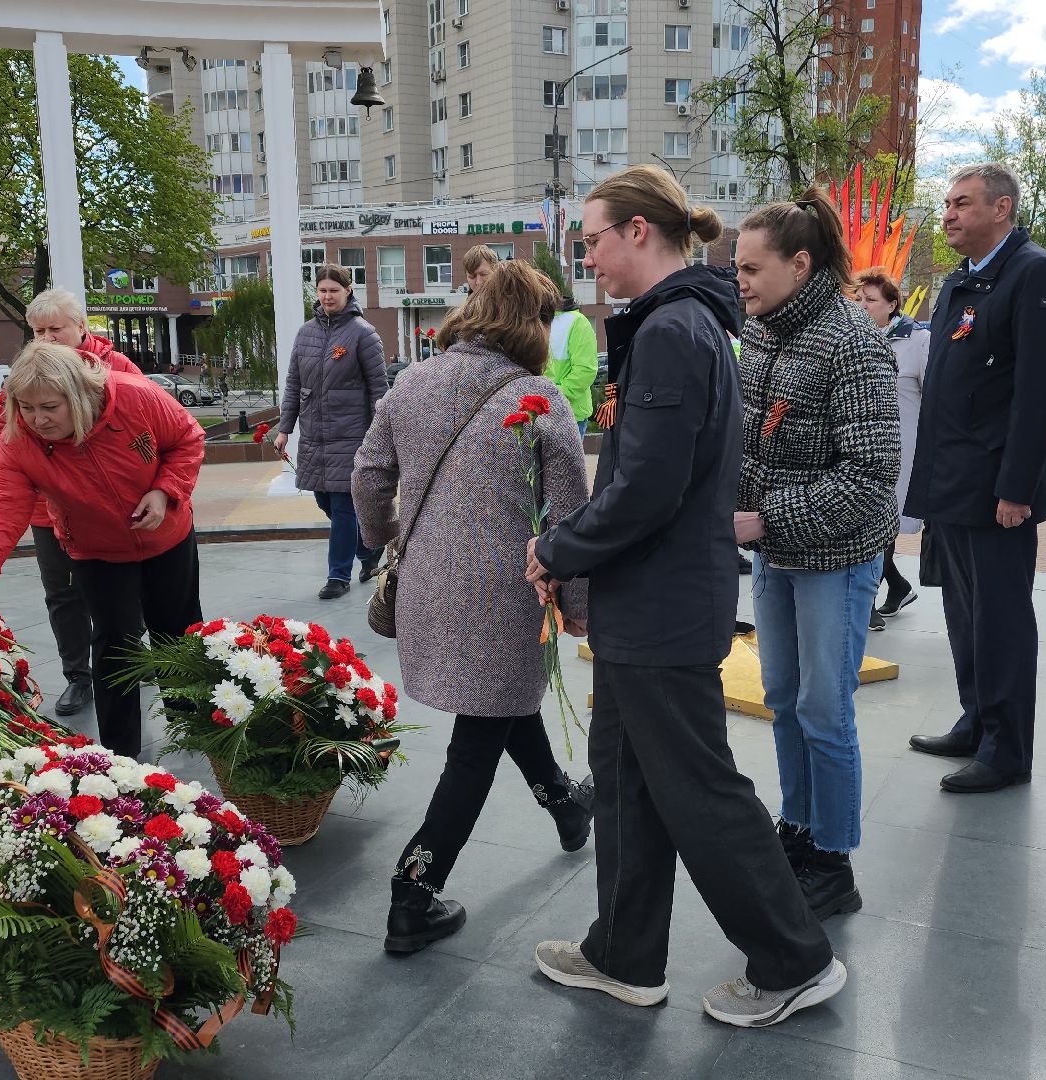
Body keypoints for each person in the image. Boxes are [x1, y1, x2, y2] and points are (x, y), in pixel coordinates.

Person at [524, 165, 844, 1030]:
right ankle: (625, 956)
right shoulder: (680, 324)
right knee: (625, 783)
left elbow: (648, 489)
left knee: (700, 790)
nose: (583, 257)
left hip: (661, 606)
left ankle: (794, 959)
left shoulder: (672, 331)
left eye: (590, 239)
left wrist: (557, 546)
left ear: (638, 232)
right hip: (650, 602)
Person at [354, 259, 595, 955]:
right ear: (535, 324)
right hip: (508, 589)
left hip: (430, 584)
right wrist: (578, 603)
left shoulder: (413, 383)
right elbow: (568, 514)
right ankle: (412, 892)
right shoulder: (539, 395)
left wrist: (387, 541)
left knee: (499, 704)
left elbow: (369, 476)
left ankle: (565, 805)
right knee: (476, 744)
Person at [734, 192, 900, 923]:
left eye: (750, 267)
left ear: (800, 266)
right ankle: (797, 829)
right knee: (782, 700)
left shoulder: (852, 343)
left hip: (834, 559)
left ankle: (834, 859)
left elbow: (870, 478)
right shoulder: (761, 331)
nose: (738, 279)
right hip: (774, 552)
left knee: (825, 710)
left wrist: (763, 515)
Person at [0, 341, 206, 759]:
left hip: (167, 536)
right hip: (96, 550)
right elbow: (2, 509)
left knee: (178, 631)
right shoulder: (19, 441)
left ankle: (195, 725)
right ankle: (121, 755)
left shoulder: (135, 396)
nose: (37, 420)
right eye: (27, 407)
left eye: (50, 408)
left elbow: (186, 440)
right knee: (115, 645)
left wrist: (164, 492)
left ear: (77, 395)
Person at [904, 163, 1046, 794]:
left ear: (1002, 209)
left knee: (1000, 618)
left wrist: (1017, 489)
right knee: (963, 613)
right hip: (951, 482)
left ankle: (1007, 748)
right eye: (946, 203)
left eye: (962, 203)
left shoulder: (1034, 274)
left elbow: (1039, 393)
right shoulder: (957, 284)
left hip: (996, 489)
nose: (947, 213)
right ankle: (976, 719)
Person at [0, 287, 144, 718]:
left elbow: (148, 429)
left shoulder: (115, 368)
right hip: (47, 509)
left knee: (124, 589)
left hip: (113, 507)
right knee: (63, 594)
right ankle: (78, 676)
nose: (48, 337)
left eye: (57, 328)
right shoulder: (25, 375)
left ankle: (129, 661)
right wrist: (42, 451)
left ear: (81, 327)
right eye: (39, 331)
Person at [275, 265, 389, 600]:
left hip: (352, 434)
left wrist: (380, 434)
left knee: (342, 505)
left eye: (333, 291)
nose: (327, 297)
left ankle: (337, 576)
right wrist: (285, 429)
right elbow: (294, 384)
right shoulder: (306, 333)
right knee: (324, 499)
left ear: (348, 291)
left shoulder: (363, 333)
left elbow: (378, 389)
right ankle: (369, 550)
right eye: (322, 291)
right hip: (314, 435)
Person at [852, 266, 931, 624]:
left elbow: (933, 398)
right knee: (866, 520)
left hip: (904, 448)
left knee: (883, 522)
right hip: (862, 446)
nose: (862, 305)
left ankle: (867, 600)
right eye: (858, 298)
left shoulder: (916, 341)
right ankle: (895, 587)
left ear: (892, 304)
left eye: (871, 300)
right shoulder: (852, 338)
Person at [547, 295, 599, 438]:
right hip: (538, 413)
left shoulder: (576, 321)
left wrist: (550, 396)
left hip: (569, 415)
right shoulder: (532, 321)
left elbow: (585, 370)